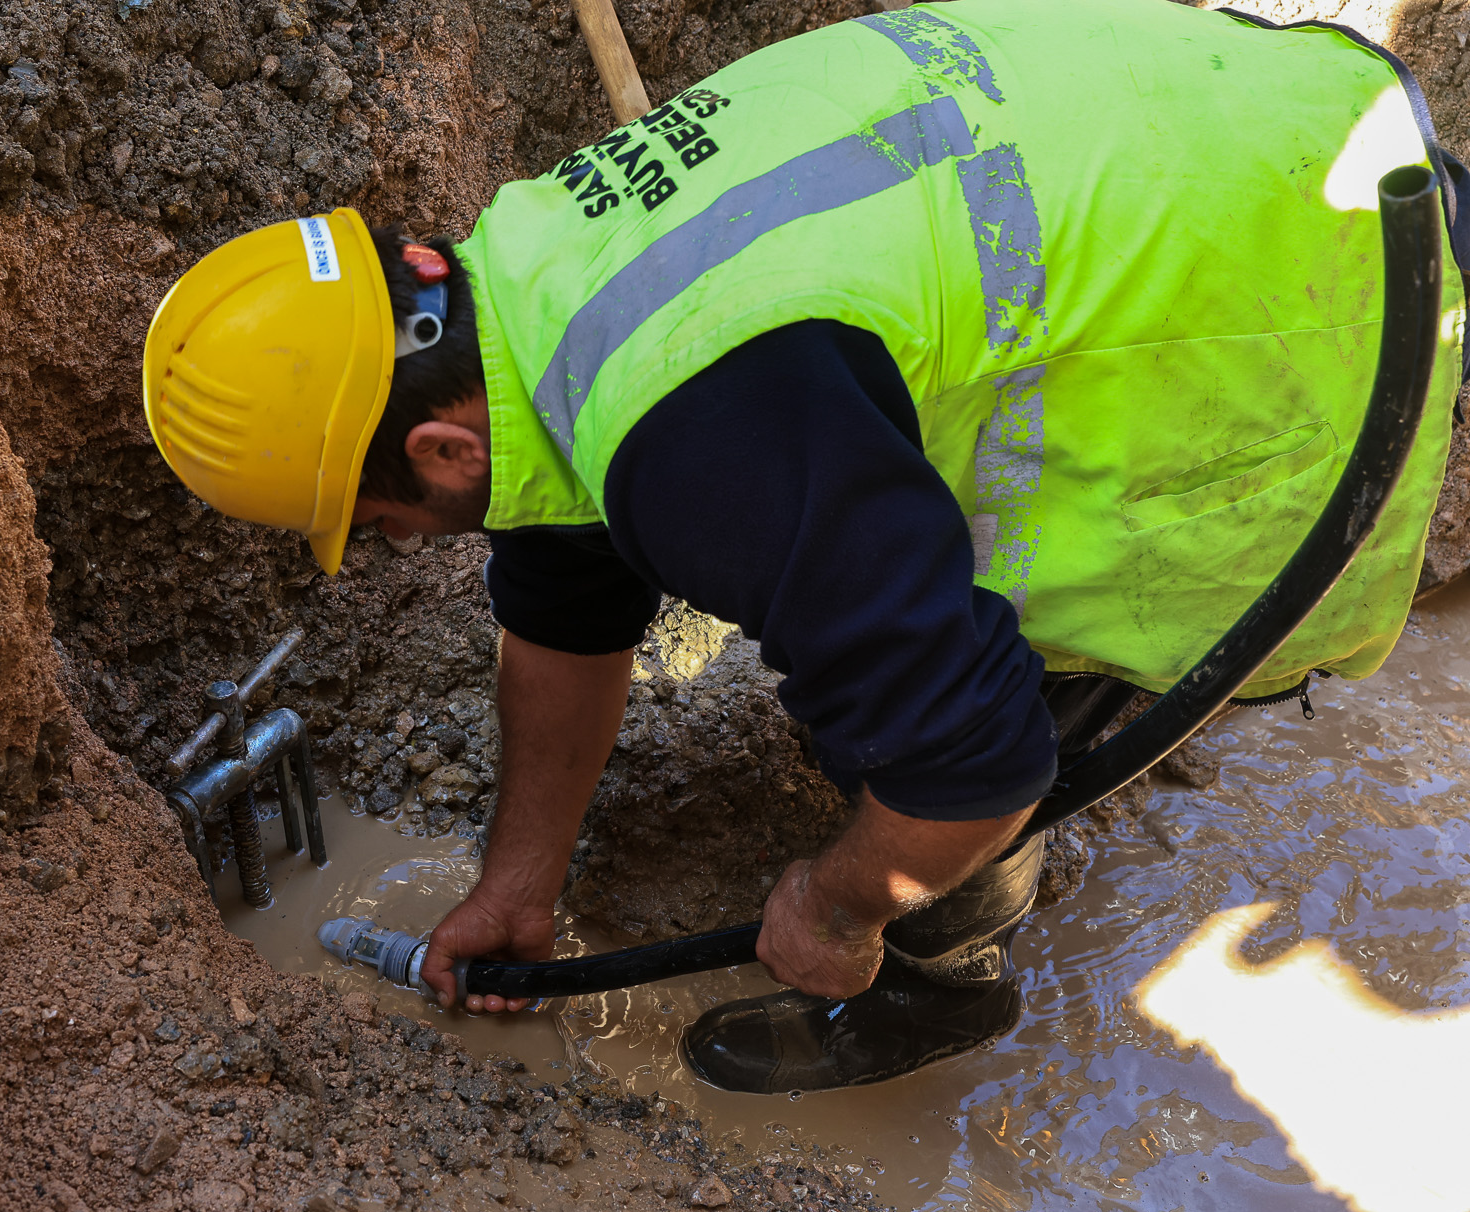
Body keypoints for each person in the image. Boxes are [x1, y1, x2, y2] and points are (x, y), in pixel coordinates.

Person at [140, 0, 1465, 1092]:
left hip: (1308, 293)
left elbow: (973, 759)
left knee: (940, 727)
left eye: (373, 523)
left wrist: (838, 906)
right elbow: (565, 596)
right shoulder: (540, 273)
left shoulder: (698, 437)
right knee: (880, 626)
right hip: (1260, 115)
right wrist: (516, 882)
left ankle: (936, 987)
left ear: (439, 452)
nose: (386, 544)